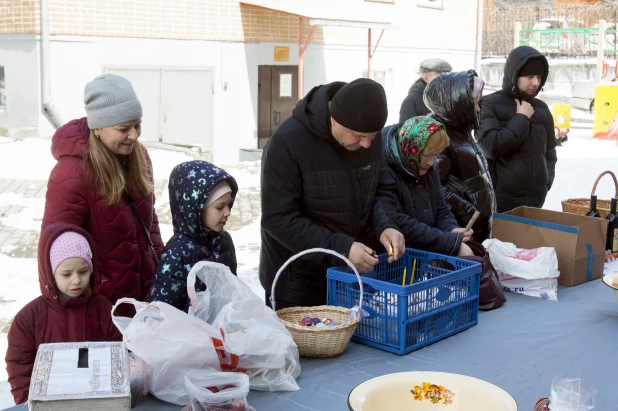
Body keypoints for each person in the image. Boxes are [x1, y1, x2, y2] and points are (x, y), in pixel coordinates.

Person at [260, 78, 405, 309]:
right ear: (334, 120)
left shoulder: (368, 136)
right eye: (358, 136)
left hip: (353, 278)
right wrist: (342, 249)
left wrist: (387, 225)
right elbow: (278, 219)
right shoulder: (287, 142)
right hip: (300, 284)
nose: (367, 144)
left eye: (373, 135)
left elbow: (382, 190)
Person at [41, 74, 163, 304]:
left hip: (146, 295)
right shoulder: (71, 174)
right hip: (101, 304)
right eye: (123, 128)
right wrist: (101, 291)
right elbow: (54, 248)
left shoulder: (139, 156)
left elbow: (149, 220)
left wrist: (161, 266)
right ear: (98, 128)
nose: (134, 135)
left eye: (137, 125)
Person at [5, 223, 122, 404]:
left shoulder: (103, 309)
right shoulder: (28, 319)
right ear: (51, 274)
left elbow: (116, 355)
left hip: (94, 401)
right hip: (48, 403)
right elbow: (19, 366)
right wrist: (28, 402)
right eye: (66, 274)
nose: (76, 280)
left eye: (83, 271)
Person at [374, 116, 474, 257]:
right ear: (411, 149)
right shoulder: (385, 170)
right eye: (427, 155)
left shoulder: (429, 168)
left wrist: (451, 229)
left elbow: (440, 208)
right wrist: (449, 242)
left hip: (425, 254)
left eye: (435, 155)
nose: (431, 162)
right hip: (399, 256)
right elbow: (399, 222)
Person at [147, 161, 238, 311]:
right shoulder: (176, 255)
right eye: (220, 207)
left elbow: (232, 287)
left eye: (229, 205)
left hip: (222, 329)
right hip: (188, 332)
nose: (228, 212)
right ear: (196, 208)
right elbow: (161, 311)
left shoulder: (223, 241)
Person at [478, 46, 557, 213]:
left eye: (538, 77)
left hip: (535, 202)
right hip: (500, 203)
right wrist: (521, 119)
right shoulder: (489, 104)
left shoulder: (541, 108)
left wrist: (545, 181)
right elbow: (491, 147)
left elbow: (549, 153)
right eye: (529, 76)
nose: (535, 82)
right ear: (514, 76)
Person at [424, 70, 497, 243]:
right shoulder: (440, 136)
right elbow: (434, 186)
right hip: (461, 230)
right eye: (475, 103)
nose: (479, 109)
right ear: (459, 104)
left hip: (474, 228)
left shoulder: (460, 131)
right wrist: (470, 212)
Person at [399, 58, 452, 122]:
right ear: (426, 78)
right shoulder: (412, 101)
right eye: (440, 75)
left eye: (447, 75)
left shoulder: (446, 97)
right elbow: (406, 130)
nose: (445, 79)